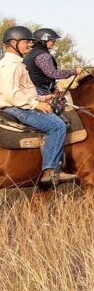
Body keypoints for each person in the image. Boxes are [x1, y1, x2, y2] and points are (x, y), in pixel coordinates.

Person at [0, 25, 77, 185]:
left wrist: (44, 98)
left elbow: (22, 90)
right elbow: (12, 94)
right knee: (57, 126)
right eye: (26, 42)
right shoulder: (11, 66)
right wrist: (36, 105)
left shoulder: (15, 63)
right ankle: (50, 170)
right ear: (13, 42)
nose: (29, 45)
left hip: (18, 104)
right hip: (16, 108)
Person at [24, 28, 83, 97]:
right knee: (56, 107)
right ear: (43, 41)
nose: (55, 42)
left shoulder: (32, 54)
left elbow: (40, 75)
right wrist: (74, 71)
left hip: (34, 89)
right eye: (52, 40)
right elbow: (53, 74)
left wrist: (52, 89)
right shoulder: (43, 55)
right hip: (39, 90)